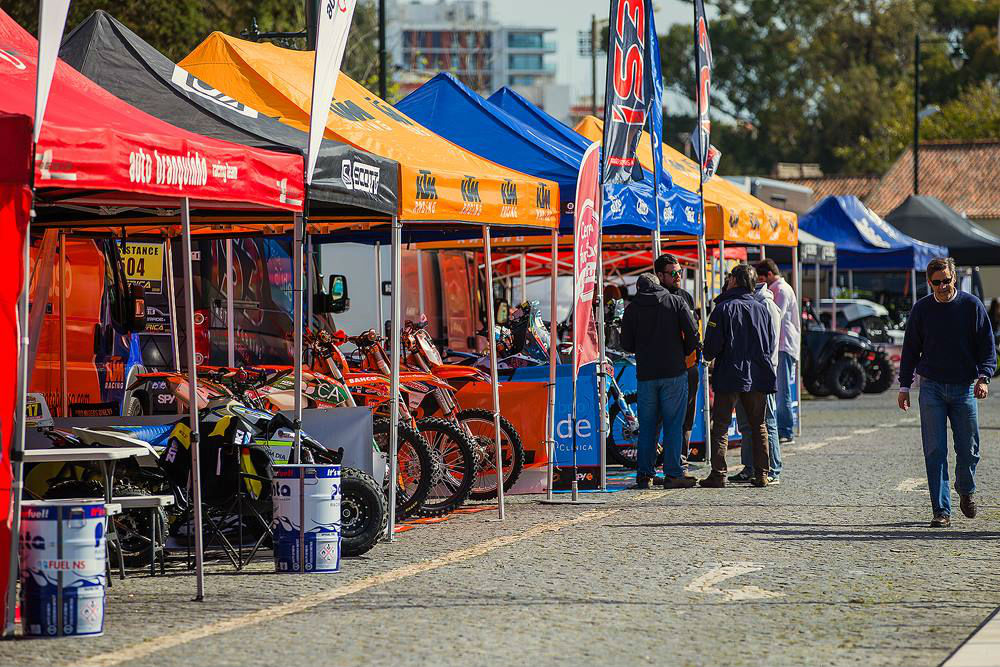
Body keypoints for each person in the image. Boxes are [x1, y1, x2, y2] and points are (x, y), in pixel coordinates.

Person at [898, 257, 996, 528]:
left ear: (955, 278)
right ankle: (941, 510)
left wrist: (984, 377)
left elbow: (987, 348)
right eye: (936, 282)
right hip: (931, 387)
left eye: (946, 281)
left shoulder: (971, 306)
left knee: (969, 449)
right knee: (935, 450)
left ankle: (966, 489)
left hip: (964, 386)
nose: (942, 287)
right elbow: (909, 350)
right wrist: (904, 386)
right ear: (929, 283)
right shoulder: (921, 310)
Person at [620, 272, 700, 489]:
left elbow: (626, 344)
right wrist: (681, 352)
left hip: (646, 375)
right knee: (674, 424)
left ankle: (644, 475)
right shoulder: (675, 302)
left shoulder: (632, 309)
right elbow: (693, 333)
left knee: (647, 426)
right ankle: (673, 473)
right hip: (674, 371)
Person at [700, 264, 776, 488]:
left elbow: (712, 346)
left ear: (734, 280)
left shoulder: (723, 308)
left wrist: (708, 354)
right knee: (758, 425)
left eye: (729, 277)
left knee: (721, 425)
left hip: (731, 373)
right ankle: (762, 473)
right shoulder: (762, 308)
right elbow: (770, 341)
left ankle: (718, 473)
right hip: (758, 373)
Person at [730, 278, 783, 484]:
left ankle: (773, 469)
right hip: (749, 373)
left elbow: (769, 343)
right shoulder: (754, 302)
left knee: (767, 422)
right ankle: (750, 466)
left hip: (763, 374)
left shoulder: (767, 305)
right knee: (747, 424)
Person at [654, 254, 700, 465]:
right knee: (659, 417)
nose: (678, 276)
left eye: (680, 272)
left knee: (686, 418)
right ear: (660, 275)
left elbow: (694, 328)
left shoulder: (686, 296)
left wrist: (692, 352)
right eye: (673, 273)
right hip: (665, 367)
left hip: (688, 365)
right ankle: (656, 458)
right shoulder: (656, 297)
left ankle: (681, 456)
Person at [755, 259, 800, 444]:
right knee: (781, 390)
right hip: (783, 345)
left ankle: (785, 430)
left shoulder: (780, 290)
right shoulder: (781, 287)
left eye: (761, 278)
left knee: (782, 392)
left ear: (769, 275)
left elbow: (775, 316)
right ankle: (785, 429)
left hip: (783, 345)